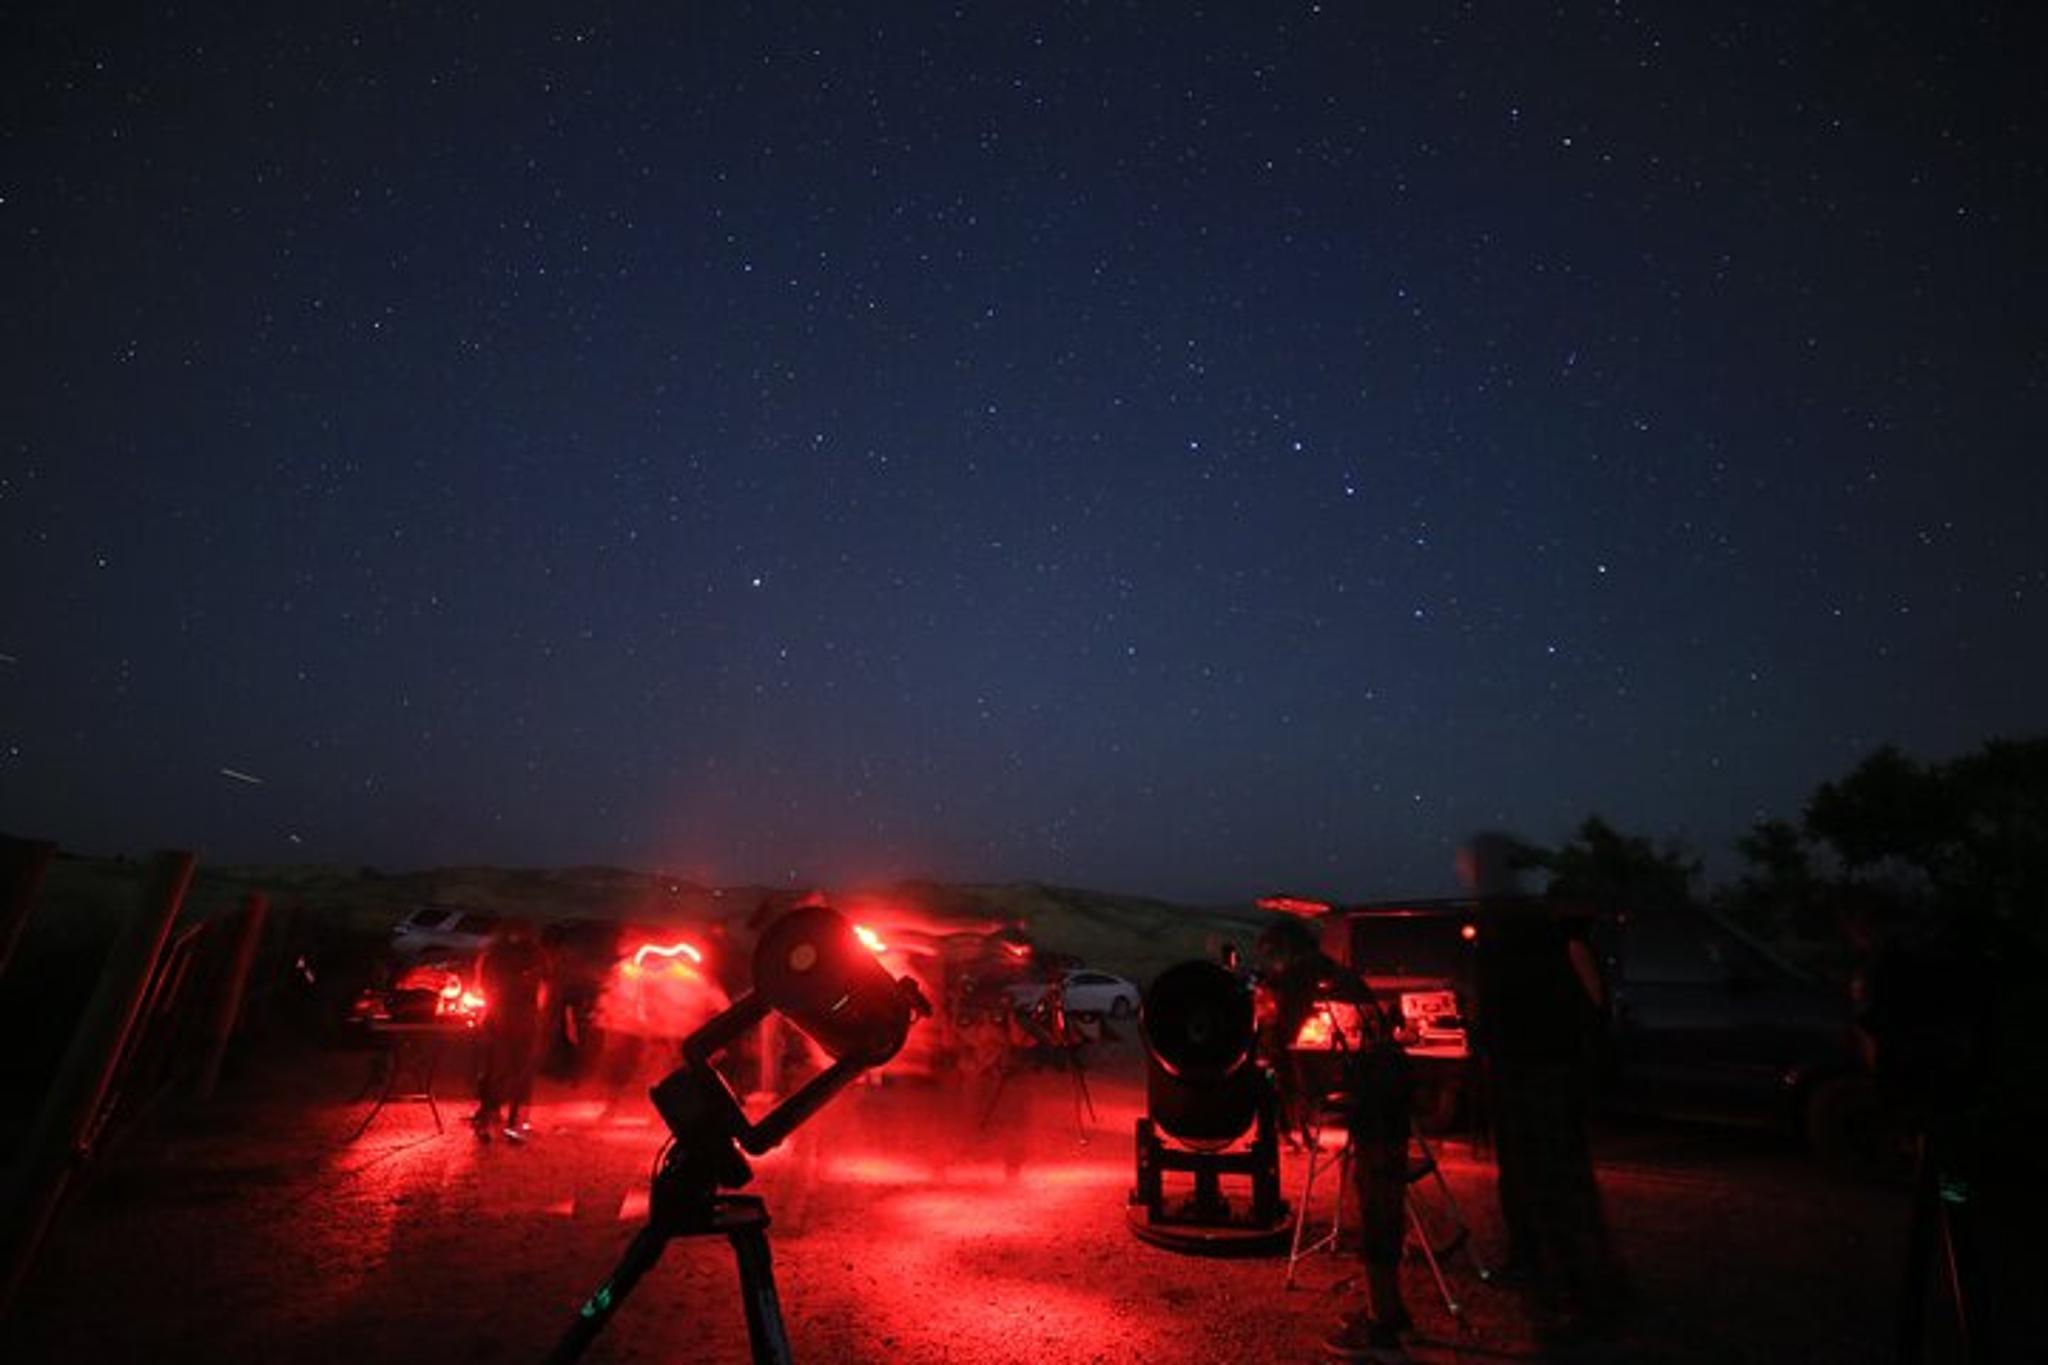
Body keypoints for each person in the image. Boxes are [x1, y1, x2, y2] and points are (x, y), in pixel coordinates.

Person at [1461, 831, 1627, 1343]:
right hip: (1521, 1061)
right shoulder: (1515, 916)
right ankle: (1538, 1268)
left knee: (1550, 1178)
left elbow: (1530, 996)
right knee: (1525, 1174)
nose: (1463, 870)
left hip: (1536, 1065)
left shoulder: (1516, 920)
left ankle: (1581, 1297)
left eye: (1470, 863)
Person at [1256, 917, 1414, 1363]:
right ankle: (1387, 1310)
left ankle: (1384, 1332)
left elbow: (1285, 1040)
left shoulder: (1304, 981)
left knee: (1376, 1205)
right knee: (1374, 1199)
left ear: (1286, 950)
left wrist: (1294, 1098)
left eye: (1270, 952)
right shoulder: (1336, 976)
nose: (1268, 963)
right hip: (1385, 1094)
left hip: (1374, 1100)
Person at [472, 917, 548, 1142]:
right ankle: (512, 1124)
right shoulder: (534, 954)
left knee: (498, 1069)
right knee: (516, 1071)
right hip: (518, 1017)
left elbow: (485, 985)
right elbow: (545, 983)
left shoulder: (495, 954)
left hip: (505, 1016)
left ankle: (489, 1119)